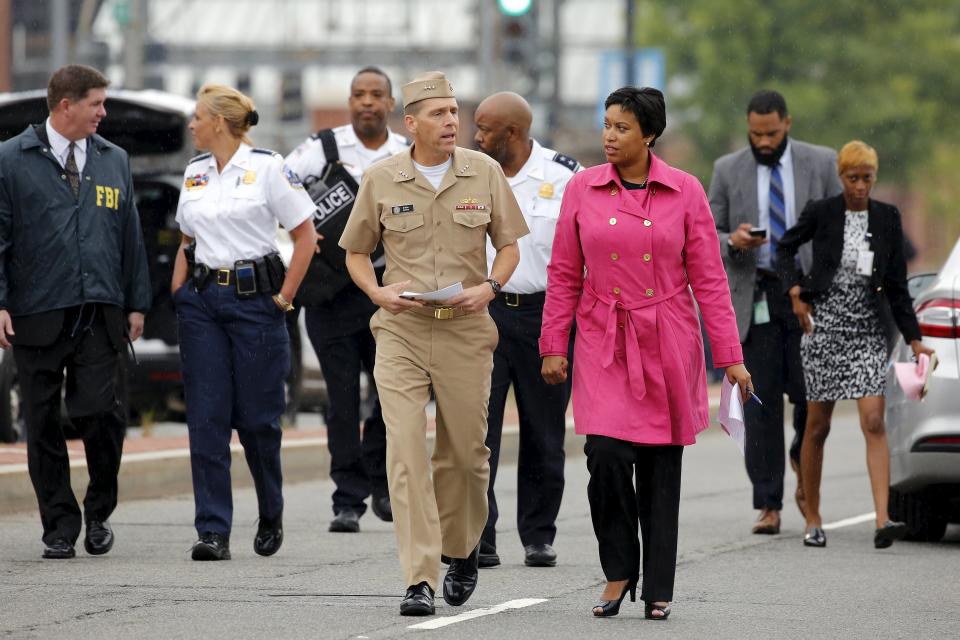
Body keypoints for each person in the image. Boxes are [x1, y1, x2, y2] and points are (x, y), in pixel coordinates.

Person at [540, 87, 750, 620]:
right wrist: (552, 345)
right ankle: (617, 571)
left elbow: (709, 279)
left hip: (667, 339)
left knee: (660, 465)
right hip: (601, 338)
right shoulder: (582, 188)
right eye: (607, 125)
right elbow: (564, 273)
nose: (609, 136)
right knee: (605, 454)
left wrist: (730, 356)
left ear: (649, 134)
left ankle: (658, 586)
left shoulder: (685, 191)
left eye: (622, 128)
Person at [340, 71, 528, 616]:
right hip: (400, 328)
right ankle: (419, 577)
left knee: (465, 457)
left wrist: (489, 287)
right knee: (403, 453)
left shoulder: (484, 172)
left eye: (454, 111)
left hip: (466, 329)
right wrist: (376, 290)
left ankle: (462, 549)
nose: (452, 121)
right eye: (440, 113)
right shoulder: (381, 178)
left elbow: (510, 246)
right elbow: (355, 251)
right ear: (412, 122)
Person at [0, 64, 151, 559]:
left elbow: (130, 235)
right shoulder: (11, 159)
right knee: (41, 420)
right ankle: (59, 526)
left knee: (100, 413)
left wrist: (137, 302)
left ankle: (98, 511)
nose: (103, 114)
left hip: (100, 308)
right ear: (66, 105)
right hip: (35, 309)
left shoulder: (114, 159)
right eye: (96, 104)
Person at [170, 84, 317, 561]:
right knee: (206, 418)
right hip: (202, 303)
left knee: (257, 421)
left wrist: (284, 298)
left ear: (218, 122)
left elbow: (306, 237)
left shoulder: (268, 168)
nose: (191, 125)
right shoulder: (194, 173)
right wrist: (179, 295)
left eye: (197, 117)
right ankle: (212, 530)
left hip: (257, 303)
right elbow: (185, 241)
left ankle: (270, 510)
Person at [775, 140, 934, 549]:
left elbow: (898, 287)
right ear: (840, 177)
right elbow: (785, 248)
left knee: (874, 421)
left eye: (867, 178)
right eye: (852, 178)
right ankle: (812, 516)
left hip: (867, 332)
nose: (860, 186)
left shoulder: (887, 218)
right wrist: (794, 289)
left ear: (874, 178)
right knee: (818, 425)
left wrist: (915, 340)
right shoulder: (822, 212)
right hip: (823, 328)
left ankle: (883, 518)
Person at [709, 90, 842, 534]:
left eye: (770, 132)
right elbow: (708, 228)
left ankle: (801, 462)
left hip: (807, 296)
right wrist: (734, 240)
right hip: (757, 296)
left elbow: (842, 223)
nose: (762, 141)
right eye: (754, 133)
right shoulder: (728, 170)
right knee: (759, 405)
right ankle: (769, 503)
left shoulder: (821, 163)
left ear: (787, 122)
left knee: (809, 398)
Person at [286, 66, 409, 533]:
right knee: (340, 399)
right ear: (350, 101)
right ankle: (347, 499)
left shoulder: (406, 153)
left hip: (388, 293)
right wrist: (305, 228)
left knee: (388, 395)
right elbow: (282, 187)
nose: (367, 103)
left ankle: (382, 484)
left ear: (390, 103)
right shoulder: (322, 148)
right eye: (359, 94)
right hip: (332, 296)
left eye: (377, 94)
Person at [473, 91, 579, 569]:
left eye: (484, 129)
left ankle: (538, 534)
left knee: (544, 431)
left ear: (511, 133)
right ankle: (481, 534)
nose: (475, 137)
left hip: (546, 317)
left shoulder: (564, 176)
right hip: (484, 314)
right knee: (479, 430)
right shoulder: (469, 175)